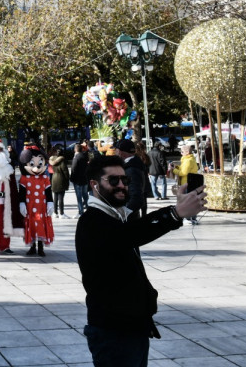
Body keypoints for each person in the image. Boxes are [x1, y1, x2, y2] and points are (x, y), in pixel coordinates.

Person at [76, 154, 206, 366]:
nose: (121, 185)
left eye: (124, 180)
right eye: (113, 180)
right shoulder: (92, 221)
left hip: (131, 328)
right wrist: (175, 214)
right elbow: (130, 235)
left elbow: (132, 231)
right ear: (94, 184)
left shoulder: (115, 216)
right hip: (113, 332)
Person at [115, 139, 147, 220]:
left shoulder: (131, 169)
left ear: (120, 152)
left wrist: (124, 214)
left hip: (129, 220)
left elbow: (136, 198)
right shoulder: (135, 163)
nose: (115, 152)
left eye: (116, 150)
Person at [172, 145, 200, 225]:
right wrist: (177, 167)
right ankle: (193, 218)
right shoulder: (190, 159)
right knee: (193, 201)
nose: (181, 153)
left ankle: (187, 218)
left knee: (186, 202)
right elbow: (184, 169)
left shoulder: (188, 160)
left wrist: (174, 171)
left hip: (186, 183)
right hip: (191, 182)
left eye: (182, 152)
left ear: (187, 152)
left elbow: (183, 173)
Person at [49, 146, 70, 218]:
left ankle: (55, 212)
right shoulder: (62, 161)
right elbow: (65, 172)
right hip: (61, 179)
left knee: (55, 197)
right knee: (61, 197)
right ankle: (61, 213)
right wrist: (67, 179)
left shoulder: (52, 160)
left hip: (54, 178)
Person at [69, 143, 89, 217]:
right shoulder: (85, 156)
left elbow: (73, 169)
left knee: (79, 197)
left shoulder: (76, 157)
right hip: (85, 179)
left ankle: (81, 212)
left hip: (77, 180)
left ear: (75, 149)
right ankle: (88, 209)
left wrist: (72, 178)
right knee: (85, 196)